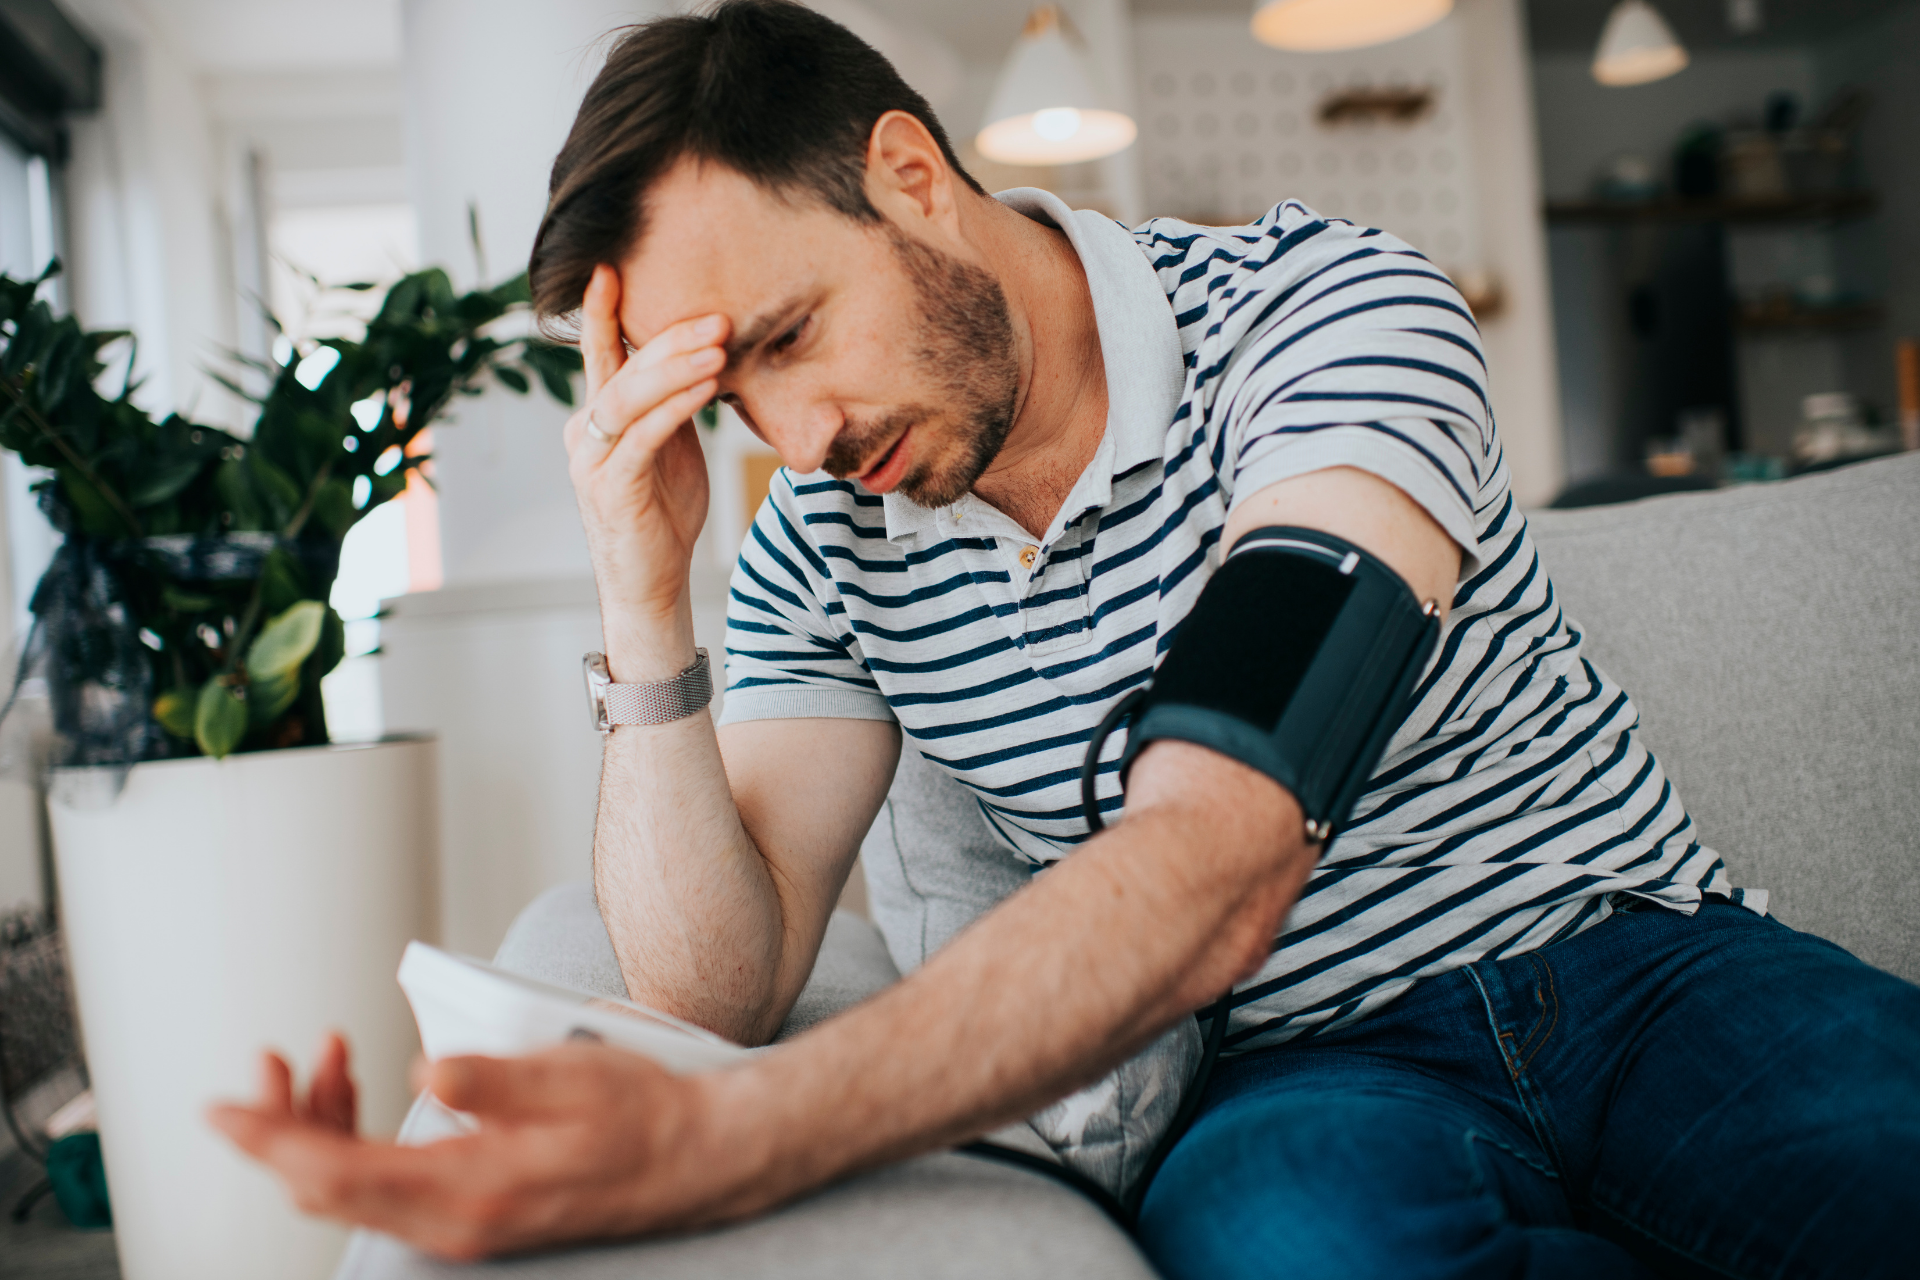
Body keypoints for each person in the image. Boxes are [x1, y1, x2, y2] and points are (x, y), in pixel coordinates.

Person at [211, 3, 1920, 1275]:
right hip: (1306, 1065)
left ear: (912, 176)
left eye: (795, 332)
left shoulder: (1322, 320)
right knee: (1286, 1248)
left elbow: (1223, 847)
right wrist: (640, 592)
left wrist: (726, 1142)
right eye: (734, 392)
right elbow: (713, 984)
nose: (794, 434)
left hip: (1641, 965)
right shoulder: (825, 534)